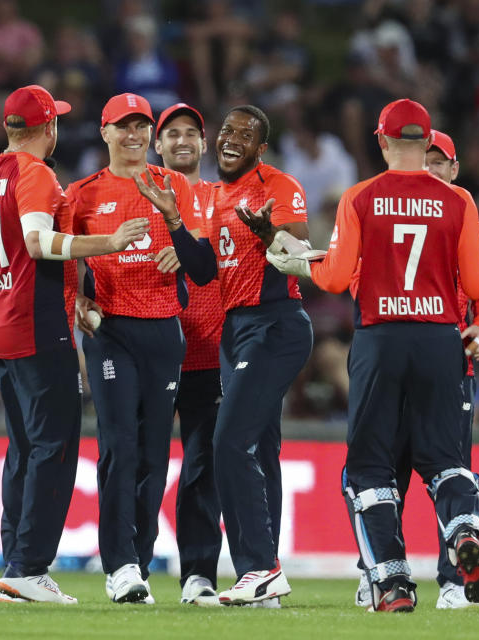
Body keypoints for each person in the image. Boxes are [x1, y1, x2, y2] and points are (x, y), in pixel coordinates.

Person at [267, 99, 479, 612]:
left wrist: (300, 262)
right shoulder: (458, 201)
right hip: (441, 337)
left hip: (380, 338)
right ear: (426, 142)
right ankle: (466, 530)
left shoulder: (359, 197)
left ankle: (391, 583)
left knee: (371, 469)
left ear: (382, 141)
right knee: (446, 460)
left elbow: (332, 278)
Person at [0, 85, 147, 604]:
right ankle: (28, 568)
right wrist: (106, 244)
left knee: (22, 448)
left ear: (7, 129)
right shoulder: (36, 174)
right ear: (49, 128)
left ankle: (15, 562)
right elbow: (38, 243)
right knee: (55, 446)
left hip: (0, 320)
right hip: (36, 323)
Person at [133, 104, 313, 606]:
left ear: (261, 149)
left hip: (274, 323)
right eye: (228, 131)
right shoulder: (214, 199)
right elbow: (205, 270)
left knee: (230, 441)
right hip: (236, 333)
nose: (233, 139)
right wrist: (173, 218)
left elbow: (300, 250)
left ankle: (259, 567)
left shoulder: (278, 185)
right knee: (256, 449)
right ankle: (265, 578)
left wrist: (268, 234)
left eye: (246, 134)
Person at [66, 93, 197, 605]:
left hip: (164, 330)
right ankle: (119, 564)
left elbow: (201, 251)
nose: (134, 135)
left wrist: (181, 252)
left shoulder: (175, 185)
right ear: (104, 133)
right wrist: (75, 298)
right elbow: (58, 256)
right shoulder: (82, 194)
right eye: (123, 127)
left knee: (154, 456)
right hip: (111, 330)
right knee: (119, 447)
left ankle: (139, 560)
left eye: (141, 126)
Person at [153, 102, 225, 606]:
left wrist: (198, 249)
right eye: (172, 133)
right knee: (141, 462)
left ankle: (198, 574)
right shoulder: (139, 194)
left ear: (204, 144)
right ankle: (128, 568)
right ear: (158, 145)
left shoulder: (223, 198)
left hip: (210, 350)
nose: (182, 141)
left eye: (191, 134)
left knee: (203, 467)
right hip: (151, 350)